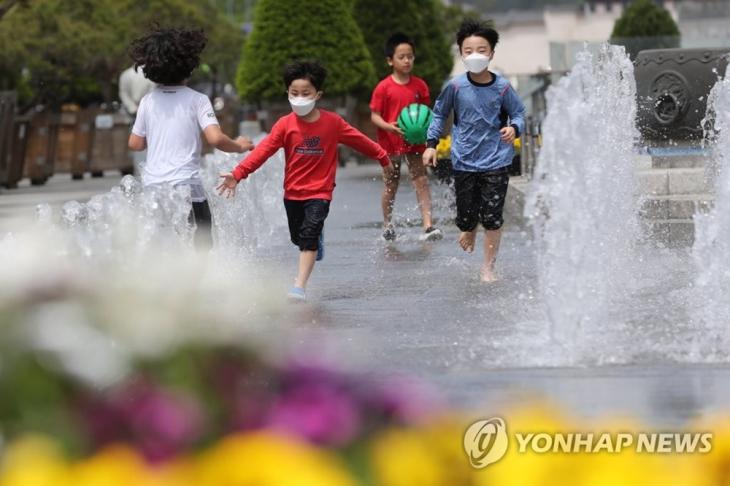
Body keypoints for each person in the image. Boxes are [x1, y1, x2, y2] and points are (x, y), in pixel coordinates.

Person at [217, 60, 394, 302]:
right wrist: (238, 174)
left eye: (306, 93)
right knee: (298, 237)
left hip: (320, 192)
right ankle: (313, 241)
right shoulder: (284, 125)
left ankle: (299, 286)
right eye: (294, 93)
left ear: (317, 94)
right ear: (287, 93)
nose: (299, 98)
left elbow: (360, 140)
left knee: (308, 235)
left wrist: (383, 157)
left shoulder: (333, 123)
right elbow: (263, 151)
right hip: (292, 193)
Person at [127, 27, 253, 247]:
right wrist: (240, 146)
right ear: (189, 65)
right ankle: (193, 281)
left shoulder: (148, 101)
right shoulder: (198, 100)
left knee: (163, 245)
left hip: (153, 188)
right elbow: (215, 139)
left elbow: (135, 143)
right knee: (202, 244)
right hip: (187, 186)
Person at [423, 19, 525, 282]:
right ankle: (468, 227)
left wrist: (514, 127)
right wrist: (431, 145)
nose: (475, 55)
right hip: (464, 160)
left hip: (496, 159)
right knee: (467, 216)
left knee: (492, 217)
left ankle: (487, 267)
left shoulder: (502, 87)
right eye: (468, 51)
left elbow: (519, 113)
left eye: (481, 50)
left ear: (491, 53)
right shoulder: (456, 87)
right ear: (461, 53)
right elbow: (439, 115)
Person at [370, 33, 442, 242]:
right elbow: (374, 115)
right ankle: (388, 224)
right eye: (401, 57)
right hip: (390, 143)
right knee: (391, 184)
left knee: (421, 180)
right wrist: (388, 127)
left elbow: (426, 111)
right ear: (390, 60)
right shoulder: (383, 87)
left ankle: (428, 225)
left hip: (416, 141)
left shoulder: (420, 85)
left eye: (410, 56)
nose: (407, 60)